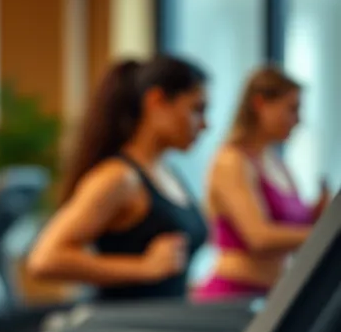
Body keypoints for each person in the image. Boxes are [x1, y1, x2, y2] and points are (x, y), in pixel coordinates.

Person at [27, 56, 209, 300]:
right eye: (196, 109)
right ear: (156, 101)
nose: (205, 124)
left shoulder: (166, 172)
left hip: (169, 324)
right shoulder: (118, 178)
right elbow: (44, 259)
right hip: (128, 331)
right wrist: (143, 267)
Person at [193, 66, 330, 301]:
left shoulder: (275, 161)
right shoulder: (232, 160)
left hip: (272, 293)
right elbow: (259, 237)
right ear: (260, 104)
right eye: (291, 109)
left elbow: (288, 226)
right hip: (234, 296)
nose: (298, 120)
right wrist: (325, 235)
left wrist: (316, 214)